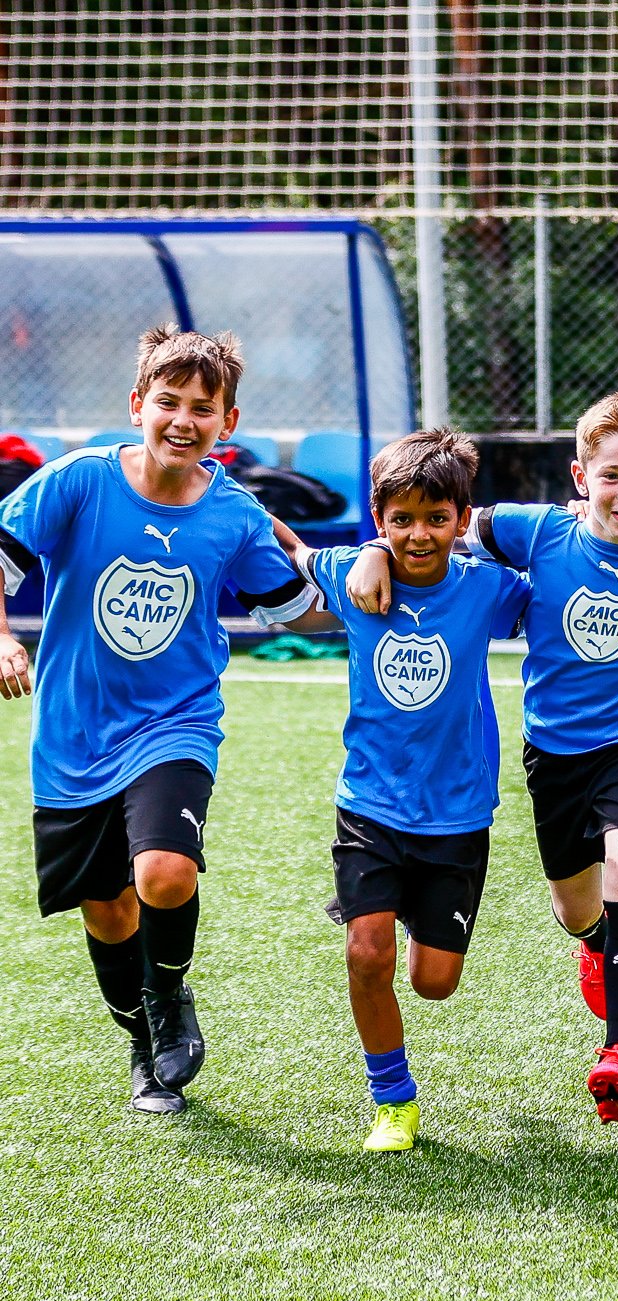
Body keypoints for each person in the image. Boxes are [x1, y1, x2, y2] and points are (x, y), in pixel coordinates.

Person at [346, 390, 618, 1125]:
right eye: (612, 475)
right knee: (575, 906)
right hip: (553, 750)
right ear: (580, 474)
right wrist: (372, 548)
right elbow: (439, 522)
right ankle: (594, 943)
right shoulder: (530, 531)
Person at [0, 326, 320, 1114]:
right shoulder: (76, 480)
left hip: (175, 724)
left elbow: (296, 613)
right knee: (107, 909)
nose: (183, 418)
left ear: (228, 423)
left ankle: (169, 995)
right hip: (72, 734)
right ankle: (145, 1046)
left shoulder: (235, 514)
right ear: (137, 404)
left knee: (164, 874)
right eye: (168, 401)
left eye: (202, 408)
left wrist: (334, 565)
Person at [280, 428, 529, 1152]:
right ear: (379, 518)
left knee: (434, 984)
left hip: (456, 813)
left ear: (461, 517)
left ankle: (416, 916)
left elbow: (556, 578)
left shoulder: (487, 585)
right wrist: (364, 552)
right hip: (369, 804)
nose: (418, 534)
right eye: (400, 520)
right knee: (366, 955)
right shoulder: (352, 575)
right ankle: (393, 1099)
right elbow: (289, 546)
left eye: (435, 517)